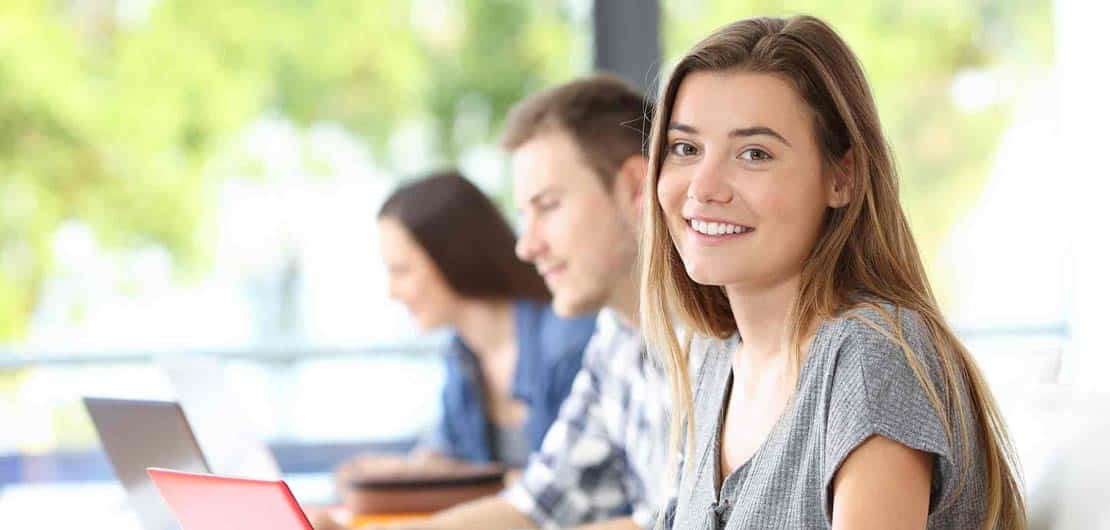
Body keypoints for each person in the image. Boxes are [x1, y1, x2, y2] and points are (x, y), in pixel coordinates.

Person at [639, 15, 1026, 529]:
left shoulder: (872, 358)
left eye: (754, 154)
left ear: (841, 178)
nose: (704, 187)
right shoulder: (715, 361)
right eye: (685, 148)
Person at [328, 75, 669, 530]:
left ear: (633, 189)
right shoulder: (617, 340)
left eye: (547, 206)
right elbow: (536, 505)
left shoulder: (714, 344)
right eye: (524, 215)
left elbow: (666, 522)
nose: (525, 247)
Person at [371, 170, 596, 468]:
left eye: (401, 270)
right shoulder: (461, 355)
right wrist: (395, 474)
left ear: (450, 258)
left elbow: (572, 485)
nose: (391, 292)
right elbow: (447, 452)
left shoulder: (570, 343)